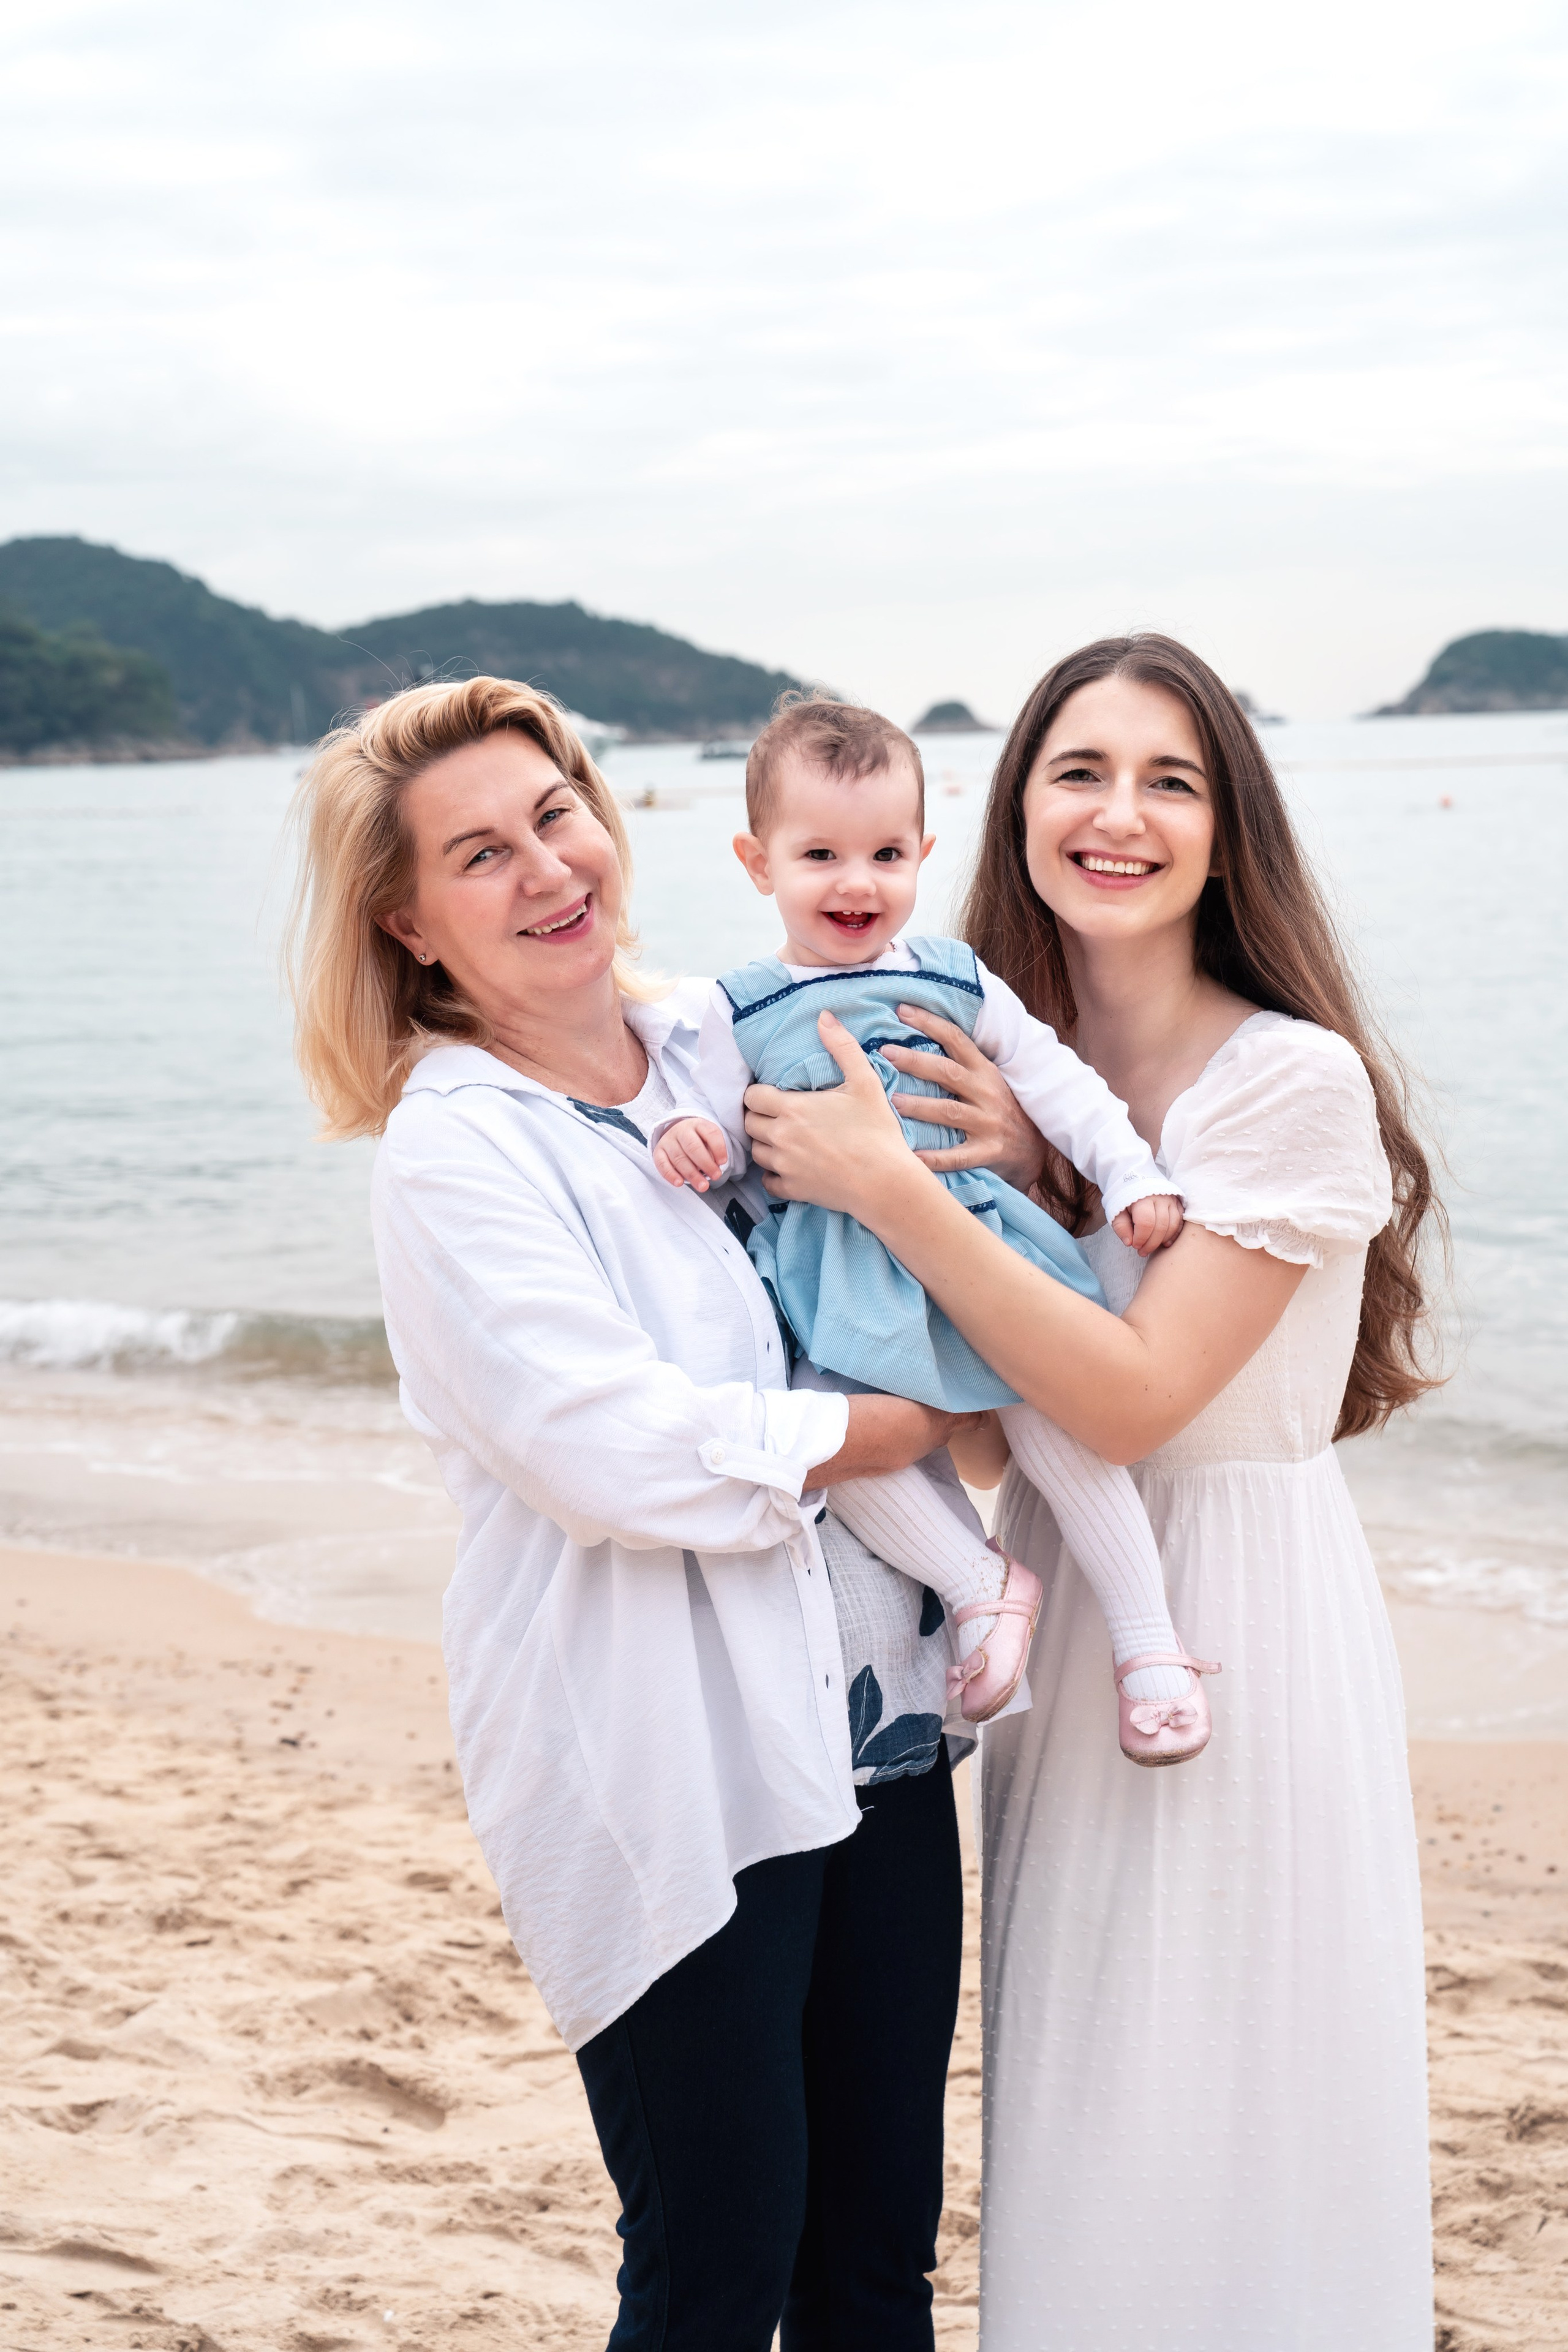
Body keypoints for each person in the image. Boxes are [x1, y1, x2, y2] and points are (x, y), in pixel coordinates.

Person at [741, 635, 1439, 2350]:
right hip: (1063, 1610)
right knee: (1083, 2093)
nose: (1118, 815)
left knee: (1239, 2093)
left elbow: (1131, 1396)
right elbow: (990, 1427)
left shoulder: (1289, 1079)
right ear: (1019, 808)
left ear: (1229, 830)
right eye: (1078, 772)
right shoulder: (1000, 1070)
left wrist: (901, 1197)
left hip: (1235, 1619)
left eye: (1170, 779)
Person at [286, 675, 991, 2351]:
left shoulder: (720, 1037)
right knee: (716, 2261)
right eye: (480, 854)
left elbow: (956, 1187)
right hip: (667, 1764)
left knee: (877, 2258)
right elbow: (617, 1451)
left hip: (878, 1737)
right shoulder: (458, 1149)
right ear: (409, 923)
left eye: (556, 814)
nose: (546, 868)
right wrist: (921, 1416)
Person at [652, 695, 1213, 1762]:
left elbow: (1060, 1083)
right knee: (827, 1439)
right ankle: (980, 1584)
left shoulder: (957, 976)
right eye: (819, 854)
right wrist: (688, 1131)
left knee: (1056, 1419)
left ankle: (1150, 1645)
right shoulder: (738, 1007)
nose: (855, 882)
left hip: (984, 1246)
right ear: (756, 861)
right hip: (843, 1271)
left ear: (924, 852)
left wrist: (1131, 1168)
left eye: (884, 852)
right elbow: (701, 1102)